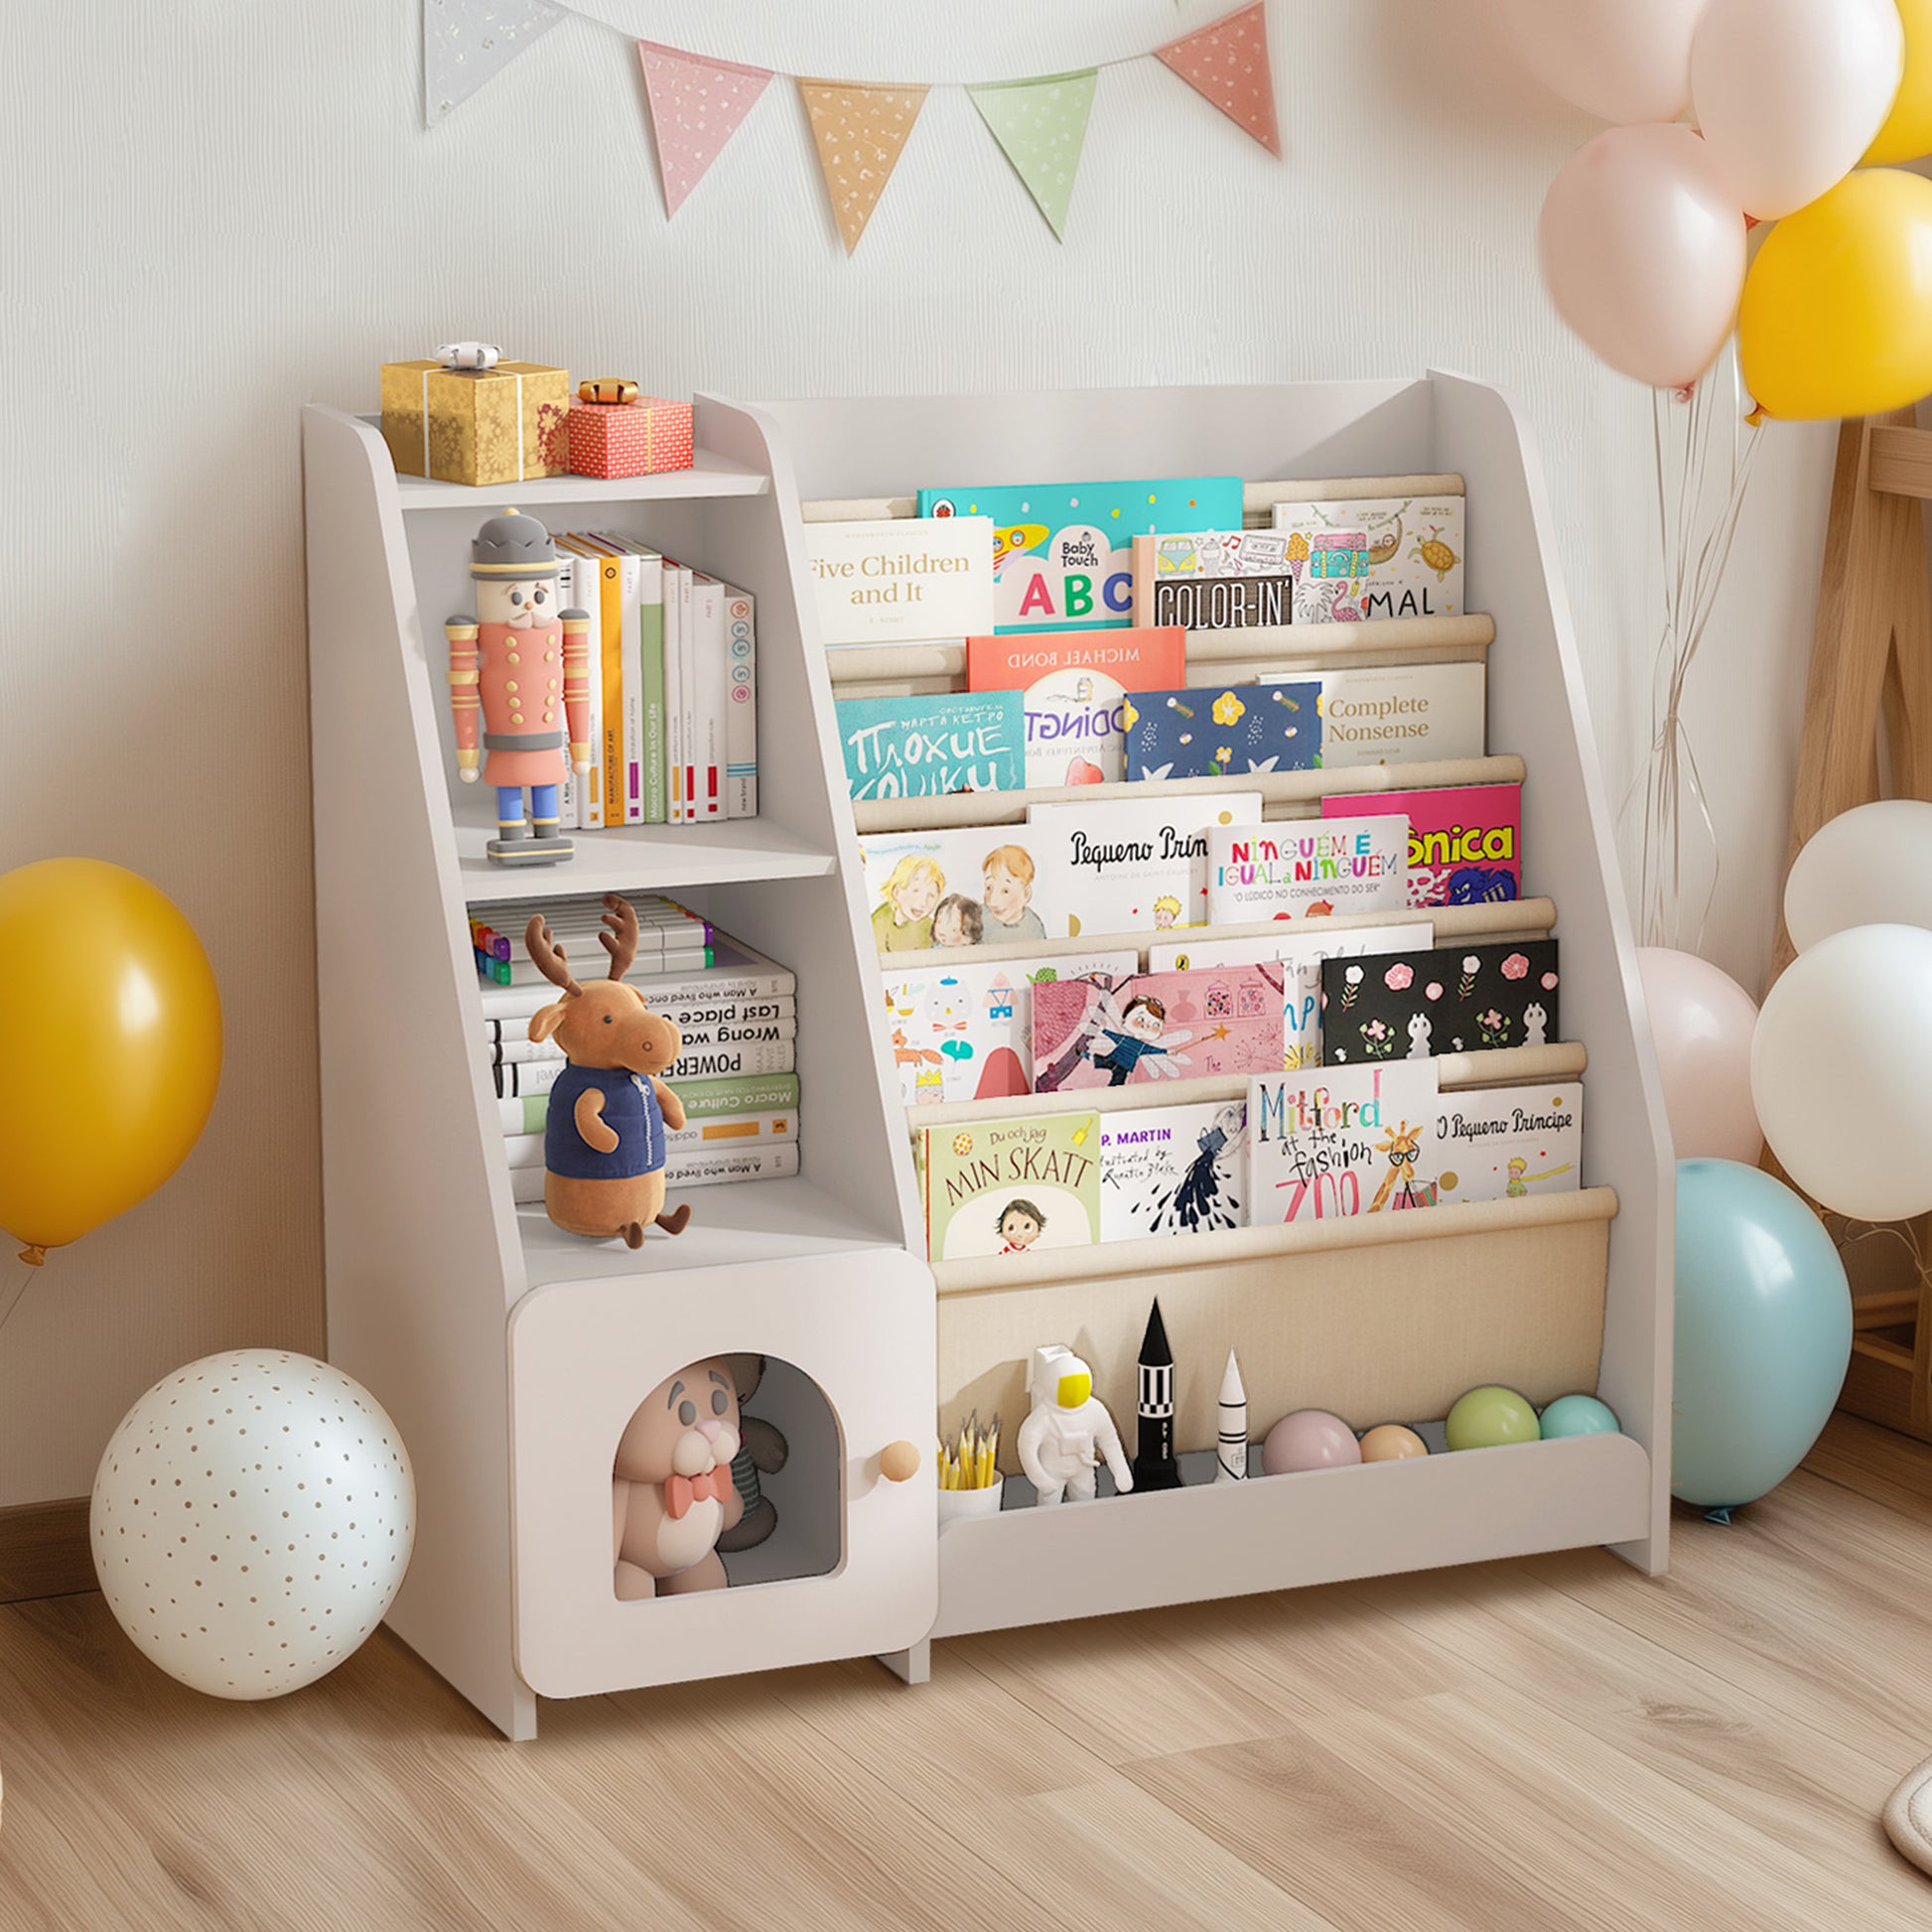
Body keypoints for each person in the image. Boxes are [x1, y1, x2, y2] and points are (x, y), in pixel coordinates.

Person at [871, 856, 943, 952]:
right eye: (915, 891)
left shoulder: (930, 927)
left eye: (931, 896)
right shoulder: (879, 921)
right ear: (897, 892)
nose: (923, 902)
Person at [982, 844, 1046, 942]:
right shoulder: (978, 917)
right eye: (989, 888)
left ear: (1026, 893)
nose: (993, 901)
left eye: (1005, 891)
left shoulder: (1033, 929)